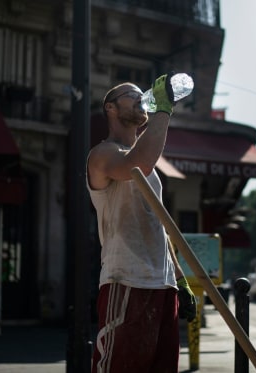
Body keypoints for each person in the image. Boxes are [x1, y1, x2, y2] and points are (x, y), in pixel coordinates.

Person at [87, 74, 197, 373]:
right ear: (110, 108)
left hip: (163, 285)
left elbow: (159, 224)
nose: (139, 98)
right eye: (130, 94)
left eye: (141, 94)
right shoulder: (102, 154)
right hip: (127, 280)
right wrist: (164, 109)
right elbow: (137, 164)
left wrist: (179, 278)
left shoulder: (149, 168)